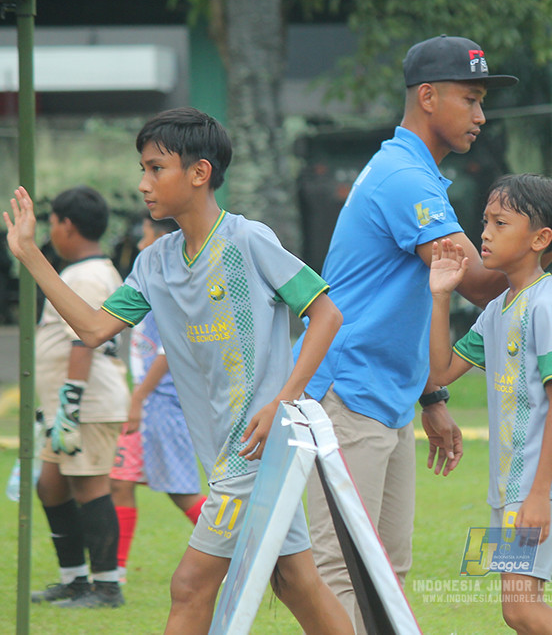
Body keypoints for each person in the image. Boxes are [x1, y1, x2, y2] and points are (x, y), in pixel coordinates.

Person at [295, 33, 552, 631]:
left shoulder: (415, 174)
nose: (481, 115)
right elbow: (477, 282)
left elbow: (437, 295)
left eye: (481, 101)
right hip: (348, 392)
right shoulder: (406, 180)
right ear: (428, 97)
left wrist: (432, 396)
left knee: (387, 570)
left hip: (387, 396)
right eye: (469, 99)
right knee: (341, 571)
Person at [5, 106, 353, 634]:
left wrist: (285, 397)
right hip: (227, 453)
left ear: (200, 172)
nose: (143, 183)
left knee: (189, 586)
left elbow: (326, 313)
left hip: (257, 452)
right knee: (296, 582)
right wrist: (31, 254)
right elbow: (94, 329)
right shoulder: (154, 263)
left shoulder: (249, 241)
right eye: (142, 169)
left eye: (155, 168)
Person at [427, 173, 552, 634]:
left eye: (500, 222)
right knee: (521, 611)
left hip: (533, 486)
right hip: (509, 485)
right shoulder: (498, 307)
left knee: (520, 609)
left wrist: (539, 495)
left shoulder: (548, 305)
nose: (484, 232)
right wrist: (441, 296)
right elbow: (439, 373)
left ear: (541, 238)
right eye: (485, 221)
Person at [29, 185, 128, 608]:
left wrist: (69, 406)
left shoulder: (87, 274)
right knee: (51, 486)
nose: (52, 232)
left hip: (85, 407)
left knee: (89, 486)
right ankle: (75, 580)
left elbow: (83, 341)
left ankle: (106, 587)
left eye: (52, 223)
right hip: (68, 408)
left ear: (67, 225)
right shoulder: (78, 271)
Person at [109, 215, 206, 584]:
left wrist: (139, 397)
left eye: (145, 233)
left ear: (162, 238)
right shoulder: (151, 276)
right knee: (119, 481)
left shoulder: (172, 279)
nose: (139, 242)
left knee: (181, 491)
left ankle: (242, 548)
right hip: (150, 404)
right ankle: (113, 573)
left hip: (162, 404)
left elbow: (168, 352)